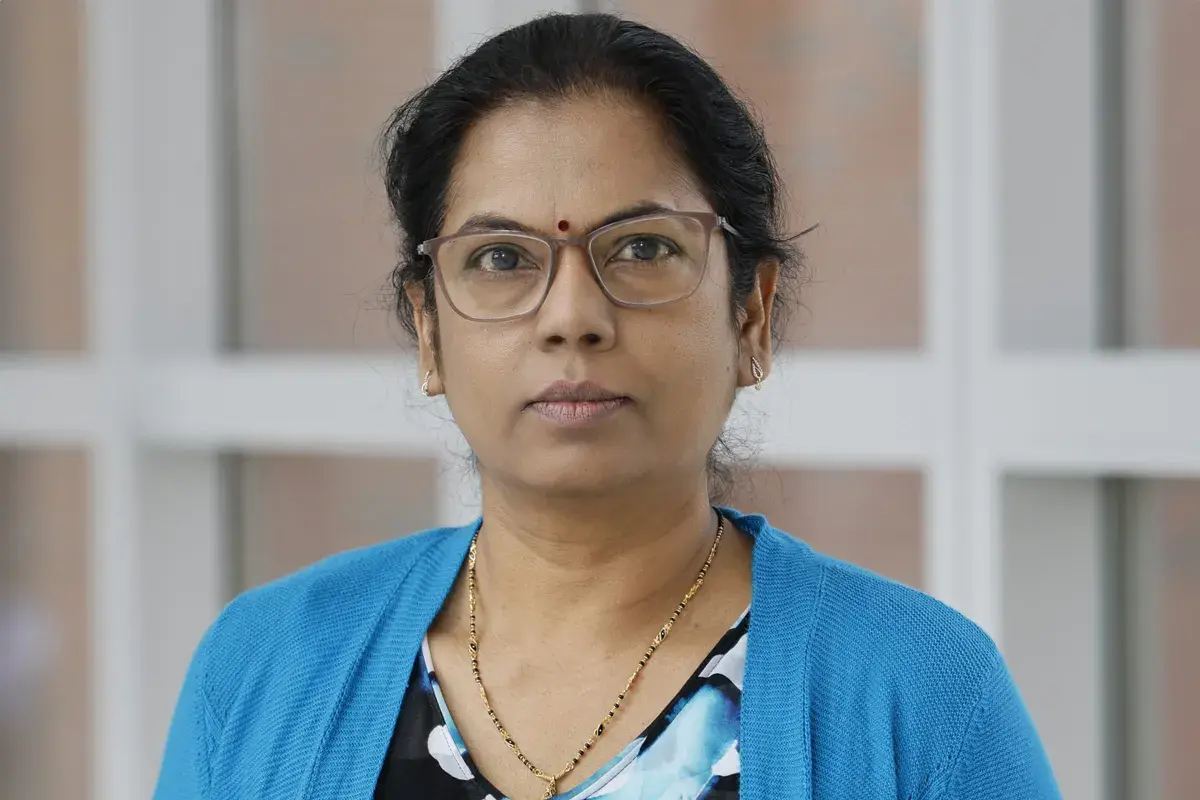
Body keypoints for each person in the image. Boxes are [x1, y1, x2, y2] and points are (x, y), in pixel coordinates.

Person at [154, 13, 1060, 800]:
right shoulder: (266, 665)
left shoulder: (923, 696)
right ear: (428, 330)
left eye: (642, 248)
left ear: (750, 314)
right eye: (501, 259)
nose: (572, 318)